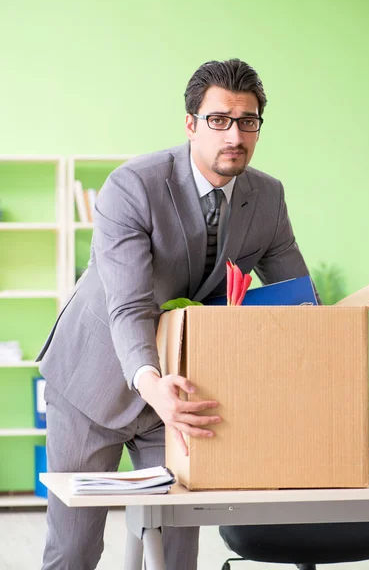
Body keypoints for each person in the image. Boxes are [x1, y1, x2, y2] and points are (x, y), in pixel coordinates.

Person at [37, 58, 317, 570]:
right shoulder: (133, 186)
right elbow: (129, 302)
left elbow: (298, 302)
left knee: (174, 544)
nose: (234, 134)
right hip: (93, 378)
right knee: (75, 547)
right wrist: (149, 380)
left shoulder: (268, 197)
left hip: (183, 389)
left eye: (247, 120)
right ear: (191, 124)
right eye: (218, 119)